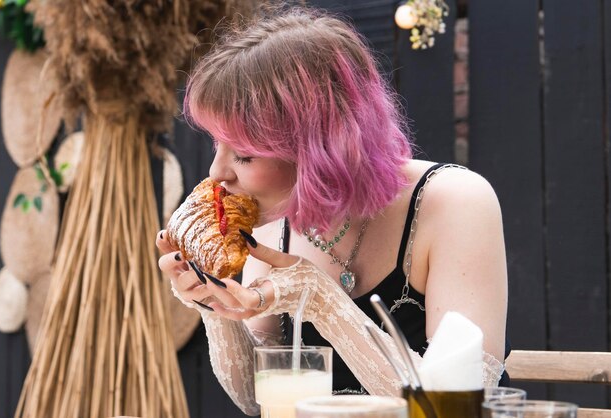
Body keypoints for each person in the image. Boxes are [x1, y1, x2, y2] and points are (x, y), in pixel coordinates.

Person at [156, 6, 508, 415]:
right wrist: (217, 308)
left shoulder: (454, 202)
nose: (217, 173)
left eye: (245, 155)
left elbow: (455, 408)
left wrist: (320, 299)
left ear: (319, 147)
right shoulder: (268, 229)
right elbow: (257, 400)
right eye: (219, 145)